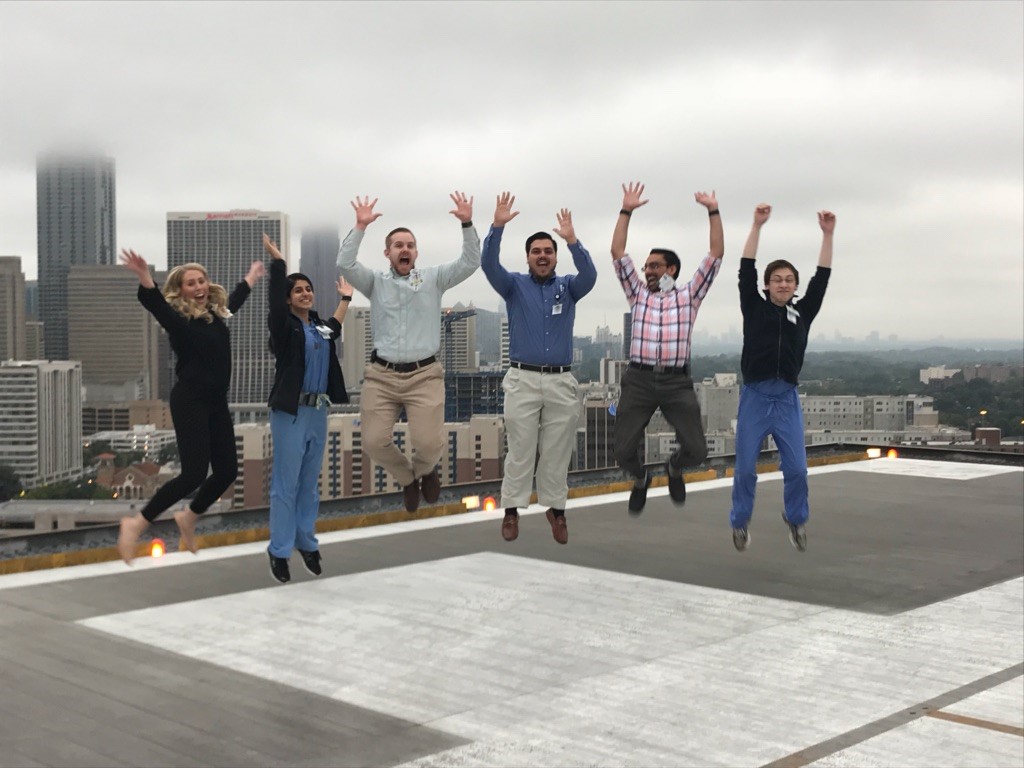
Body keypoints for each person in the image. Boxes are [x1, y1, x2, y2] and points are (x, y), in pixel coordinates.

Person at [117, 250, 265, 563]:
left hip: (216, 402)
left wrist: (251, 278)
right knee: (193, 474)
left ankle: (190, 517)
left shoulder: (215, 314)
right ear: (180, 290)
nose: (198, 286)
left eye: (201, 280)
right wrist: (145, 276)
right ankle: (137, 523)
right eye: (190, 283)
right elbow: (155, 304)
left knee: (226, 472)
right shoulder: (180, 321)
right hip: (190, 400)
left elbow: (233, 303)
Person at [337, 192, 480, 512]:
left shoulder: (433, 279)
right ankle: (407, 478)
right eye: (398, 245)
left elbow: (470, 262)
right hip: (381, 376)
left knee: (429, 444)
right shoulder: (374, 282)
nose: (405, 249)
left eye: (410, 245)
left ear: (416, 253)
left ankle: (426, 470)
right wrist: (359, 226)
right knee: (374, 442)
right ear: (387, 253)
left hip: (424, 375)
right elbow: (345, 263)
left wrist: (467, 223)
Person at [481, 192, 597, 545]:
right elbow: (489, 265)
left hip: (561, 380)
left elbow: (590, 275)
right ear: (528, 257)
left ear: (555, 257)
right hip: (523, 378)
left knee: (558, 449)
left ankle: (556, 511)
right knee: (521, 447)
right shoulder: (513, 286)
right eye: (536, 252)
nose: (542, 256)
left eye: (548, 251)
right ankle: (512, 511)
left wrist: (573, 241)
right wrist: (497, 227)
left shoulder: (569, 288)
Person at [612, 181, 724, 515]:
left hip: (676, 382)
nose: (648, 271)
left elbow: (716, 255)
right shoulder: (638, 295)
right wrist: (625, 211)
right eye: (646, 267)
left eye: (655, 266)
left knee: (697, 449)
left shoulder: (689, 296)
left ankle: (674, 467)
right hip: (639, 380)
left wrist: (713, 211)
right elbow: (618, 253)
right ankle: (640, 477)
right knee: (622, 450)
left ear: (671, 270)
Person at [730, 205, 835, 553]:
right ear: (767, 285)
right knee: (745, 469)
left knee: (798, 470)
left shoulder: (802, 311)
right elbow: (746, 267)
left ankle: (796, 519)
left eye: (789, 280)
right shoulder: (754, 306)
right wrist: (756, 225)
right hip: (756, 397)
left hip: (787, 398)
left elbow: (822, 276)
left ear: (795, 286)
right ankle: (740, 522)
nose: (784, 284)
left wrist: (827, 234)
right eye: (777, 279)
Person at [262, 234, 351, 583]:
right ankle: (279, 550)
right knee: (285, 485)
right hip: (291, 413)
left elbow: (336, 325)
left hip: (318, 413)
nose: (305, 293)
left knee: (308, 485)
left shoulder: (319, 328)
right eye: (297, 290)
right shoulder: (284, 328)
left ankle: (306, 542)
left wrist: (345, 298)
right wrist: (279, 264)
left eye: (308, 289)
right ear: (288, 297)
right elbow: (273, 304)